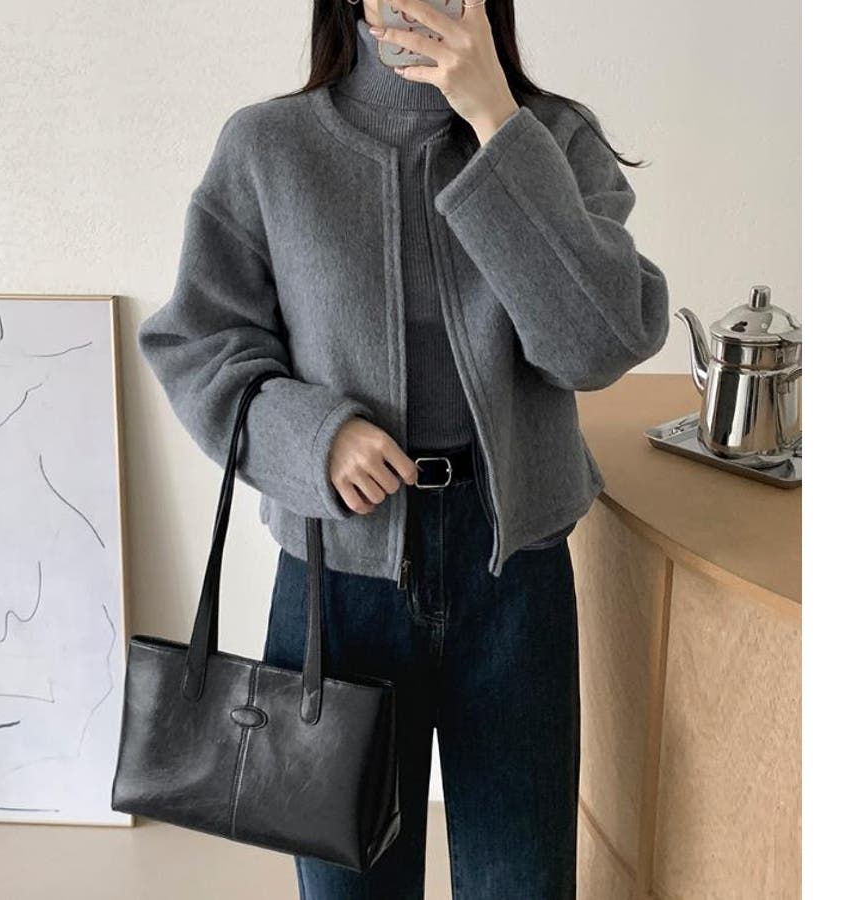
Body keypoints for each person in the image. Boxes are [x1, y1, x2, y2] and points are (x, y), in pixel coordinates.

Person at [137, 0, 670, 896]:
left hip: (515, 571)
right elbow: (198, 344)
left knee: (524, 883)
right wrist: (314, 436)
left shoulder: (553, 138)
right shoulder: (269, 147)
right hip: (337, 579)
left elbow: (596, 346)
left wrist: (496, 121)